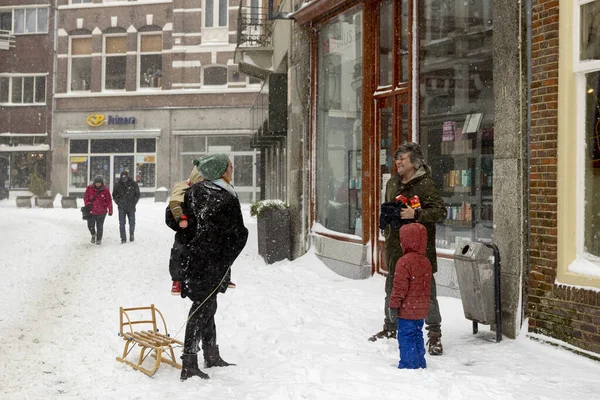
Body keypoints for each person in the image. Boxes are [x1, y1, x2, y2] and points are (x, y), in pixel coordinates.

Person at [369, 142, 447, 357]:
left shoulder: (425, 184)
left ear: (414, 162)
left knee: (426, 292)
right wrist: (387, 218)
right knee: (392, 287)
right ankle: (390, 327)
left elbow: (440, 212)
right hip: (396, 245)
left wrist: (416, 215)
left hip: (420, 250)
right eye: (397, 159)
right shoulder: (393, 183)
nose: (398, 162)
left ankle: (434, 335)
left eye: (402, 159)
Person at [179, 153, 248, 381]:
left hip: (196, 259)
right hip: (212, 262)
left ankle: (210, 353)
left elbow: (180, 225)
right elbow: (238, 234)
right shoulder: (227, 197)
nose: (232, 169)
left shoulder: (194, 192)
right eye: (230, 166)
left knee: (207, 306)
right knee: (202, 308)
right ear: (221, 170)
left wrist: (193, 243)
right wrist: (224, 256)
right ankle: (189, 361)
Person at [389, 223, 431, 369]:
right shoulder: (425, 261)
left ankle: (409, 365)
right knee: (417, 335)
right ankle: (420, 362)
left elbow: (399, 288)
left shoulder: (404, 262)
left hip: (407, 310)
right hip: (420, 309)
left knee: (406, 337)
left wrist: (394, 306)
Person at [84, 175, 113, 245]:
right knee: (90, 225)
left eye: (99, 183)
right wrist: (87, 204)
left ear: (102, 183)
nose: (98, 184)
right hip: (91, 210)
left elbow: (109, 200)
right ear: (94, 183)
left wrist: (110, 210)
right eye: (97, 183)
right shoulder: (89, 188)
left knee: (100, 226)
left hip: (102, 211)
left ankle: (99, 239)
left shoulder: (105, 190)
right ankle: (93, 234)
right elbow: (85, 197)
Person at [112, 170, 140, 244]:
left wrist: (133, 202)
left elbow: (137, 194)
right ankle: (123, 238)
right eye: (123, 177)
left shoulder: (133, 184)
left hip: (131, 207)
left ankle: (131, 234)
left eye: (125, 177)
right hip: (122, 207)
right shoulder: (117, 185)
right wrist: (119, 203)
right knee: (122, 223)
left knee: (132, 222)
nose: (124, 179)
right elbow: (114, 195)